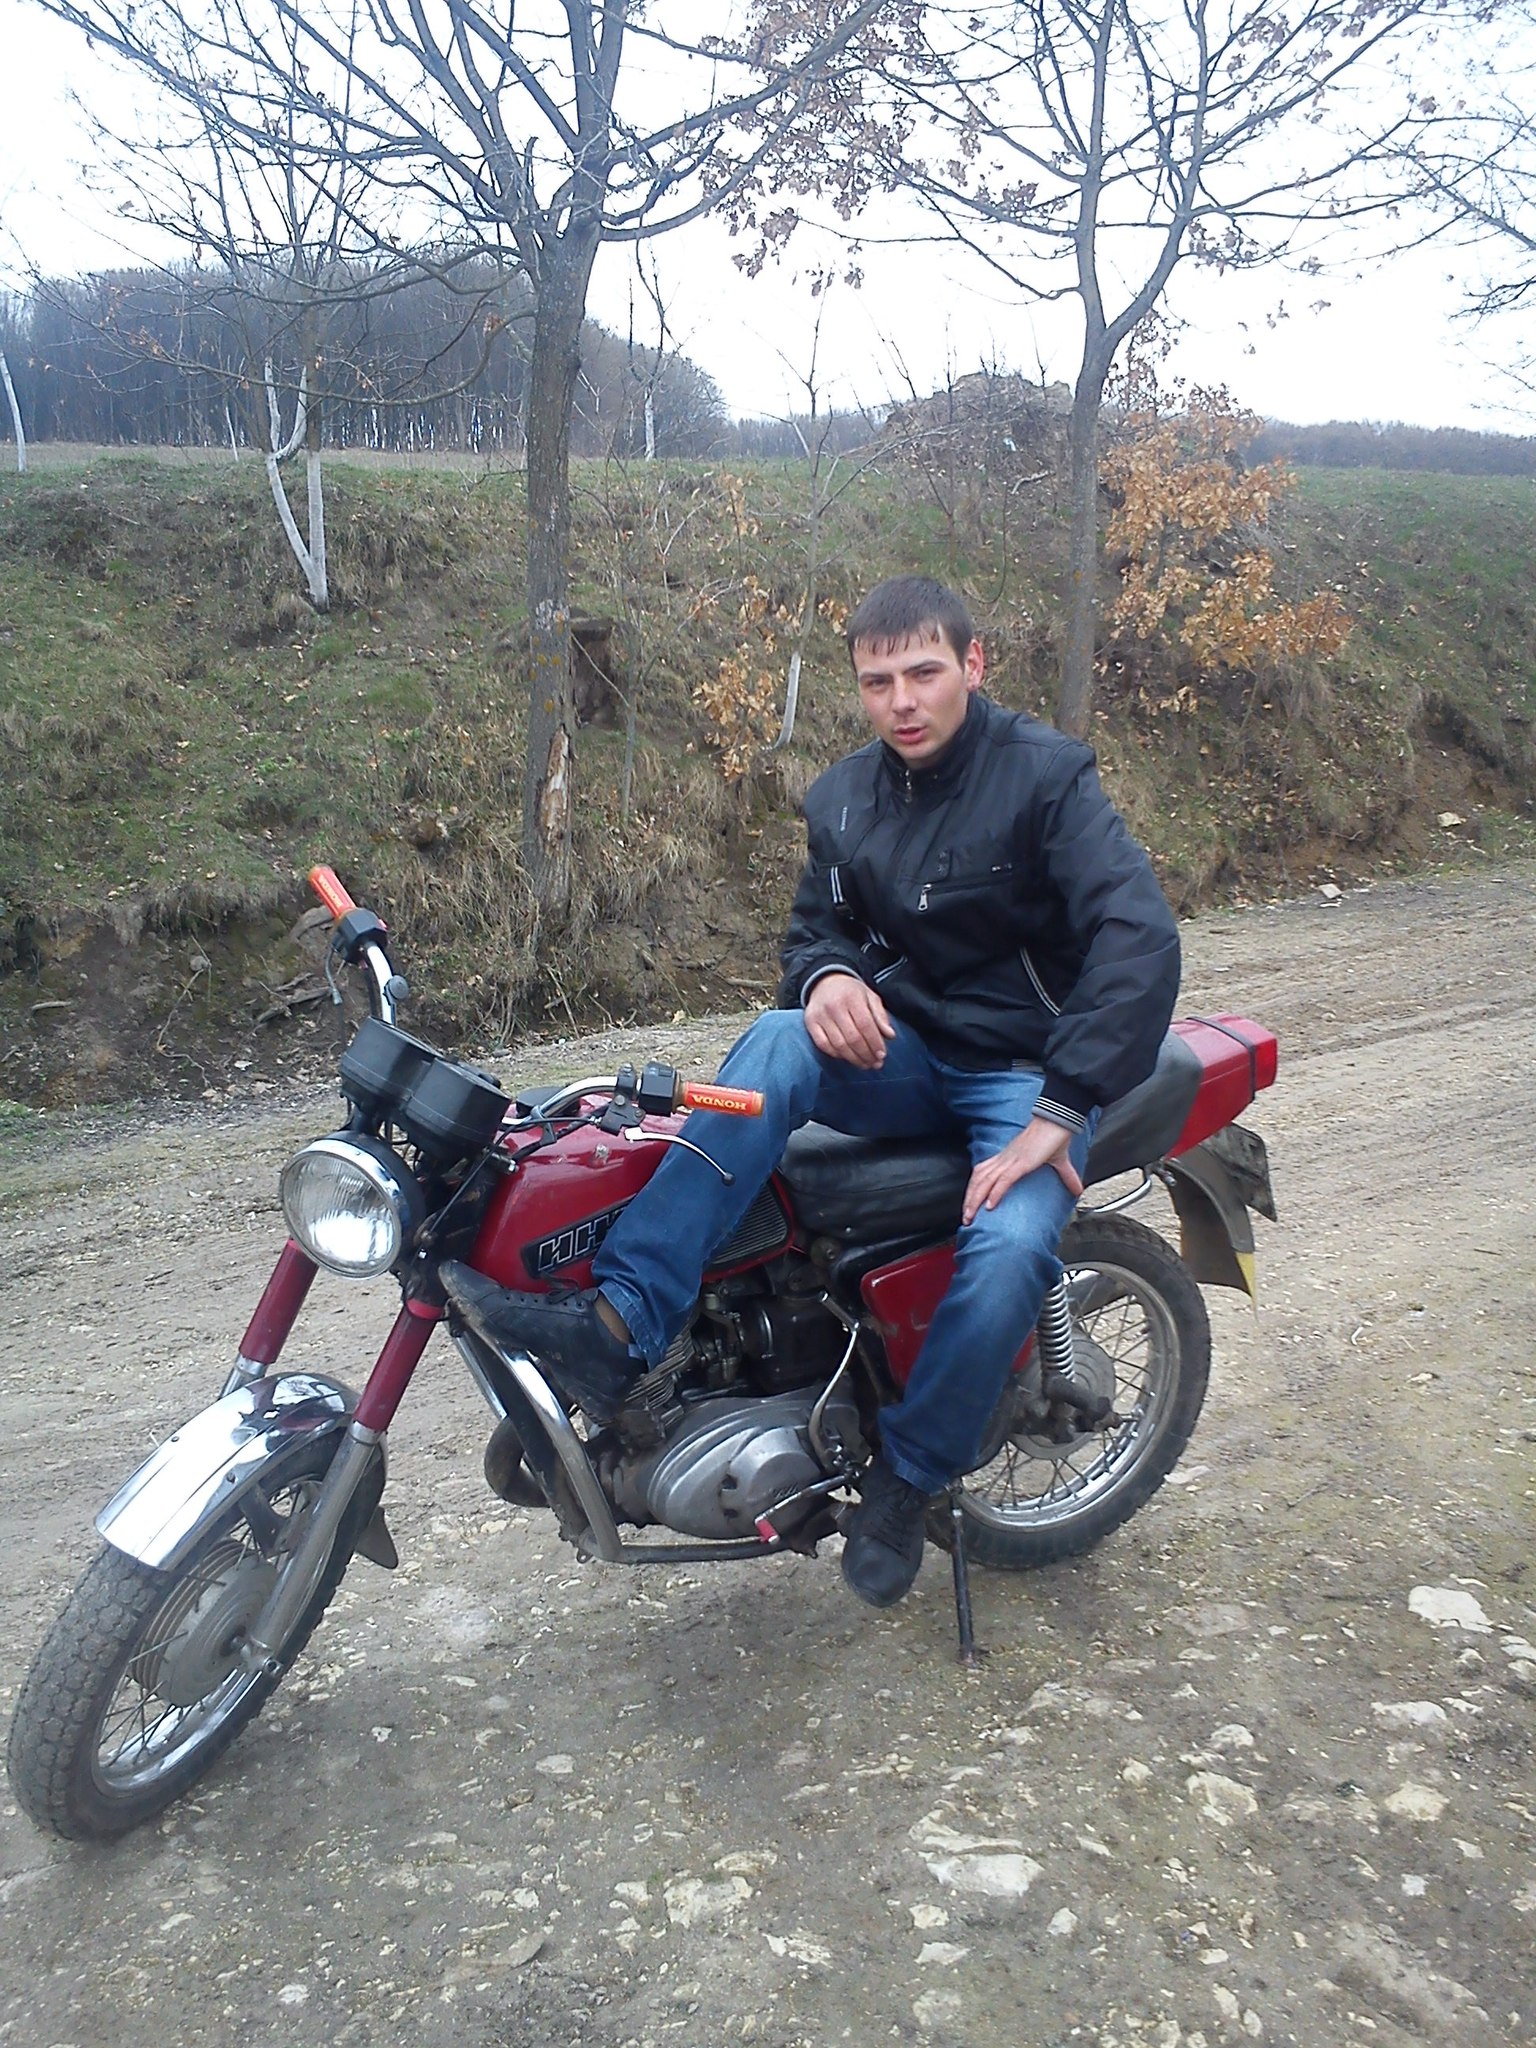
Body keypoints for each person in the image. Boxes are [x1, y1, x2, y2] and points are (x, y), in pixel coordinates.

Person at [445, 575, 1180, 1608]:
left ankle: (908, 1479)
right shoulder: (843, 797)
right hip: (903, 1056)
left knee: (1013, 1245)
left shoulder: (1047, 777)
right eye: (879, 682)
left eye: (924, 672)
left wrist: (1063, 1108)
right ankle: (623, 1325)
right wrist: (828, 977)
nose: (903, 701)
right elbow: (815, 931)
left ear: (973, 665)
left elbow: (1139, 939)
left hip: (1025, 1073)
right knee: (779, 1038)